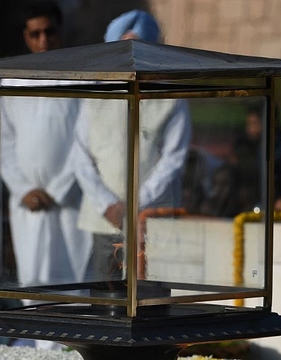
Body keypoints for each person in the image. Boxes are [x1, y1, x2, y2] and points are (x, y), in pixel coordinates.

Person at [72, 10, 191, 280]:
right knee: (107, 301)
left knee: (152, 299)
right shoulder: (94, 94)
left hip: (153, 220)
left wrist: (137, 205)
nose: (131, 55)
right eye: (124, 46)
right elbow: (80, 157)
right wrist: (109, 205)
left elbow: (173, 158)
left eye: (138, 46)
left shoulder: (171, 96)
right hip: (105, 219)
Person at [0, 0, 92, 287]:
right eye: (35, 34)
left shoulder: (83, 80)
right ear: (26, 37)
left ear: (60, 32)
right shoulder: (11, 82)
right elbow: (5, 142)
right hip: (28, 203)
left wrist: (60, 189)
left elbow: (87, 140)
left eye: (49, 32)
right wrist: (24, 189)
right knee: (32, 284)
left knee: (75, 285)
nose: (44, 41)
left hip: (71, 200)